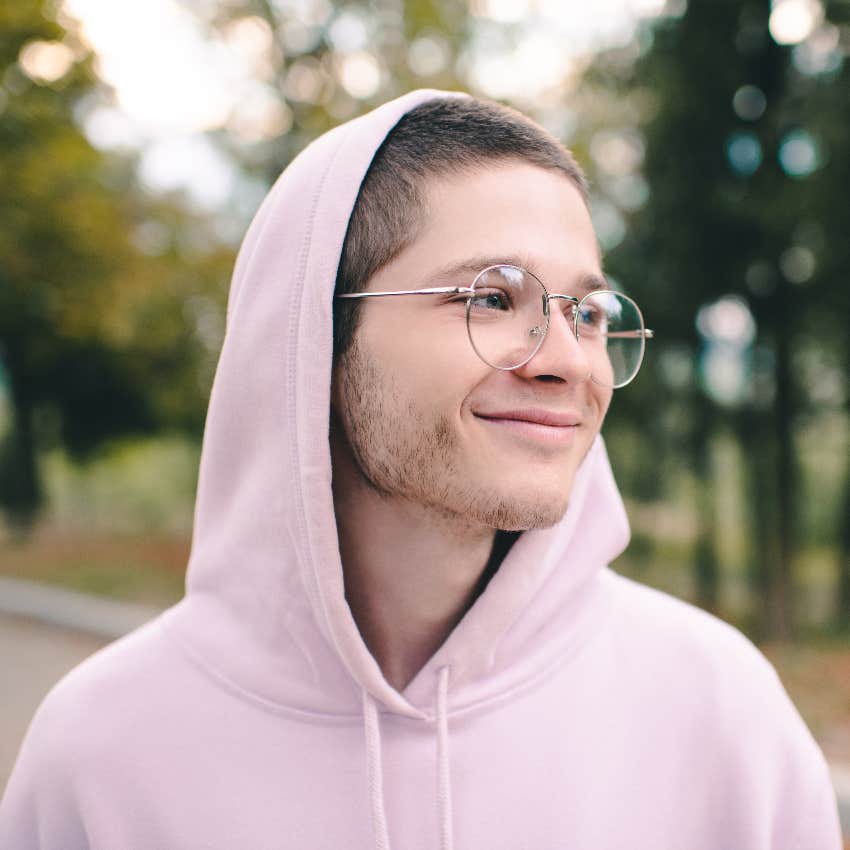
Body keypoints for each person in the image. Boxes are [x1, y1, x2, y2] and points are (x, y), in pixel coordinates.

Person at [0, 89, 842, 850]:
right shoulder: (102, 754)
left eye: (585, 311)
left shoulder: (718, 713)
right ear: (315, 342)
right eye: (490, 297)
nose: (567, 361)